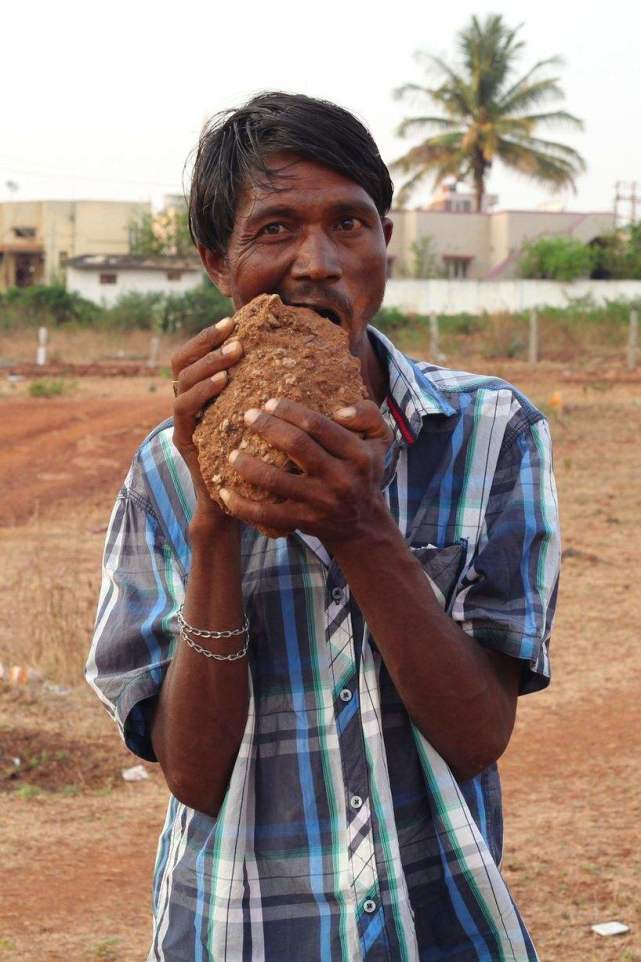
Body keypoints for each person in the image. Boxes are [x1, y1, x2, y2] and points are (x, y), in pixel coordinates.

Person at [86, 92, 560, 962]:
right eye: (273, 229)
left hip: (441, 928)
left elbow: (476, 735)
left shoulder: (491, 432)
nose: (317, 262)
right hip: (240, 932)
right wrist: (214, 519)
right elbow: (192, 775)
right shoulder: (164, 467)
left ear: (385, 241)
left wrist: (359, 526)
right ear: (215, 262)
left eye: (349, 222)